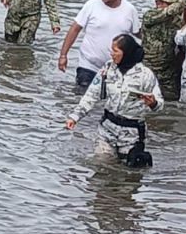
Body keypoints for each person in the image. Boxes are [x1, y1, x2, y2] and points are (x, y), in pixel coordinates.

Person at [65, 34, 164, 162]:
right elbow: (92, 94)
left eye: (115, 51)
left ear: (126, 52)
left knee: (129, 174)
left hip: (132, 133)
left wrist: (152, 103)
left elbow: (160, 105)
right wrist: (75, 117)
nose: (112, 54)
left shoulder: (145, 75)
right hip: (107, 129)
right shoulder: (108, 68)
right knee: (102, 164)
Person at [58, 0, 140, 93]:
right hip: (88, 65)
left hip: (116, 68)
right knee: (82, 99)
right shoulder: (91, 5)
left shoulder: (130, 10)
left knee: (109, 104)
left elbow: (138, 34)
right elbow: (75, 29)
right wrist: (63, 55)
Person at [140, 0, 186, 101]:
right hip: (150, 66)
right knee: (145, 96)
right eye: (171, 3)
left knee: (171, 97)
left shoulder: (175, 20)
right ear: (159, 3)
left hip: (167, 67)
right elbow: (169, 12)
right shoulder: (150, 15)